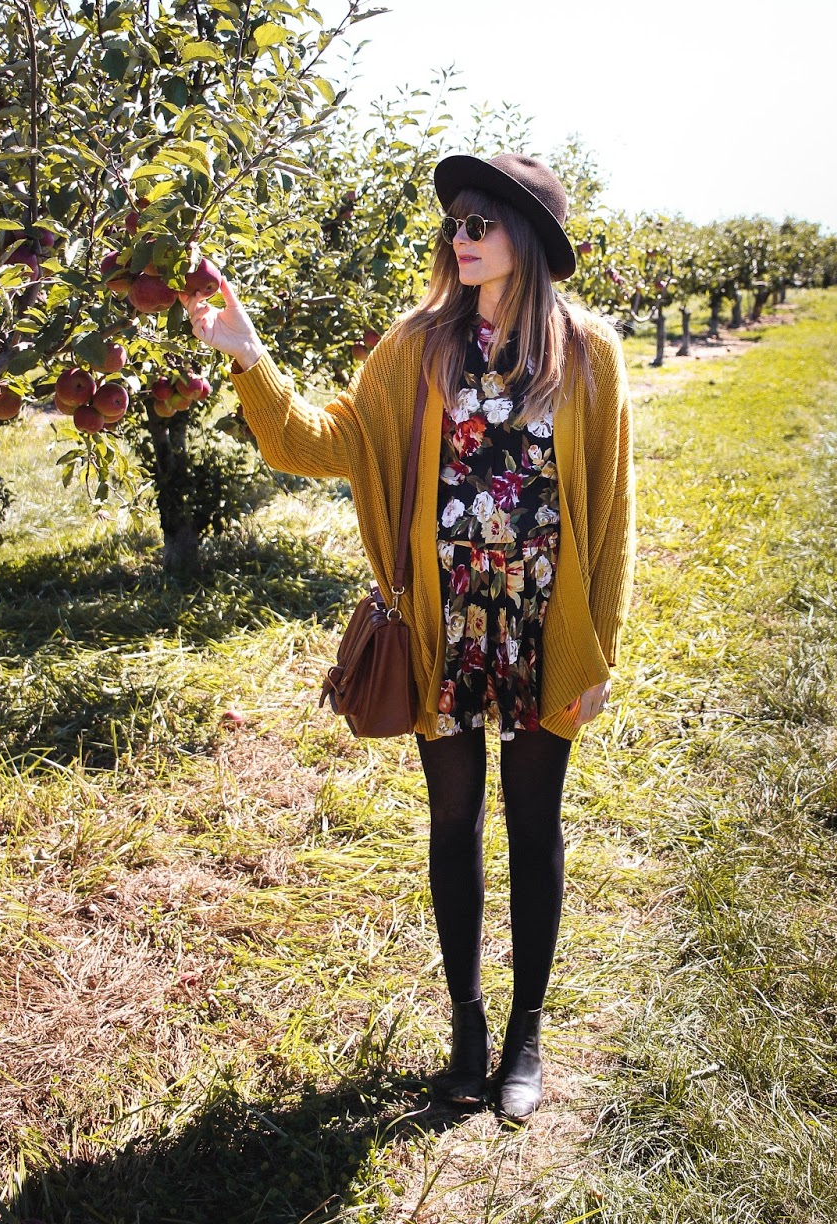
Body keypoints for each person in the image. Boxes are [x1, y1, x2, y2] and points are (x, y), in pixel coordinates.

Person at [181, 151, 636, 1123]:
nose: (460, 238)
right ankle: (468, 1030)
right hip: (446, 619)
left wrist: (598, 645)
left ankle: (526, 1037)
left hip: (541, 621)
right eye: (454, 224)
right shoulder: (419, 345)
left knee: (534, 824)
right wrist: (246, 353)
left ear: (527, 239)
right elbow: (315, 441)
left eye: (480, 222)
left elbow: (612, 512)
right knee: (451, 820)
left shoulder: (587, 352)